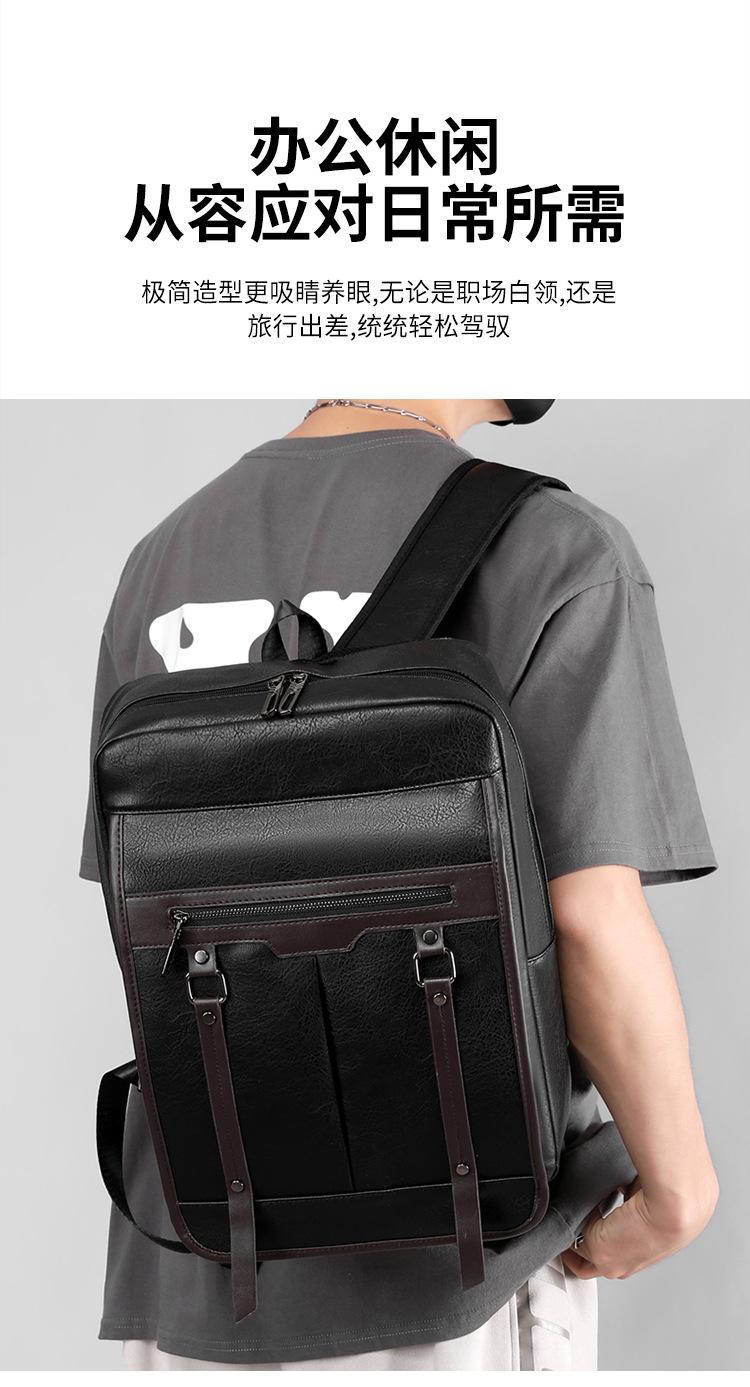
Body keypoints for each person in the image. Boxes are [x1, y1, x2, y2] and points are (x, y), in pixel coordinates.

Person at [80, 399, 719, 1371]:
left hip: (203, 1264)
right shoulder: (555, 548)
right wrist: (678, 1190)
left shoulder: (161, 559)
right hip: (458, 1268)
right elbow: (589, 917)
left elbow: (145, 927)